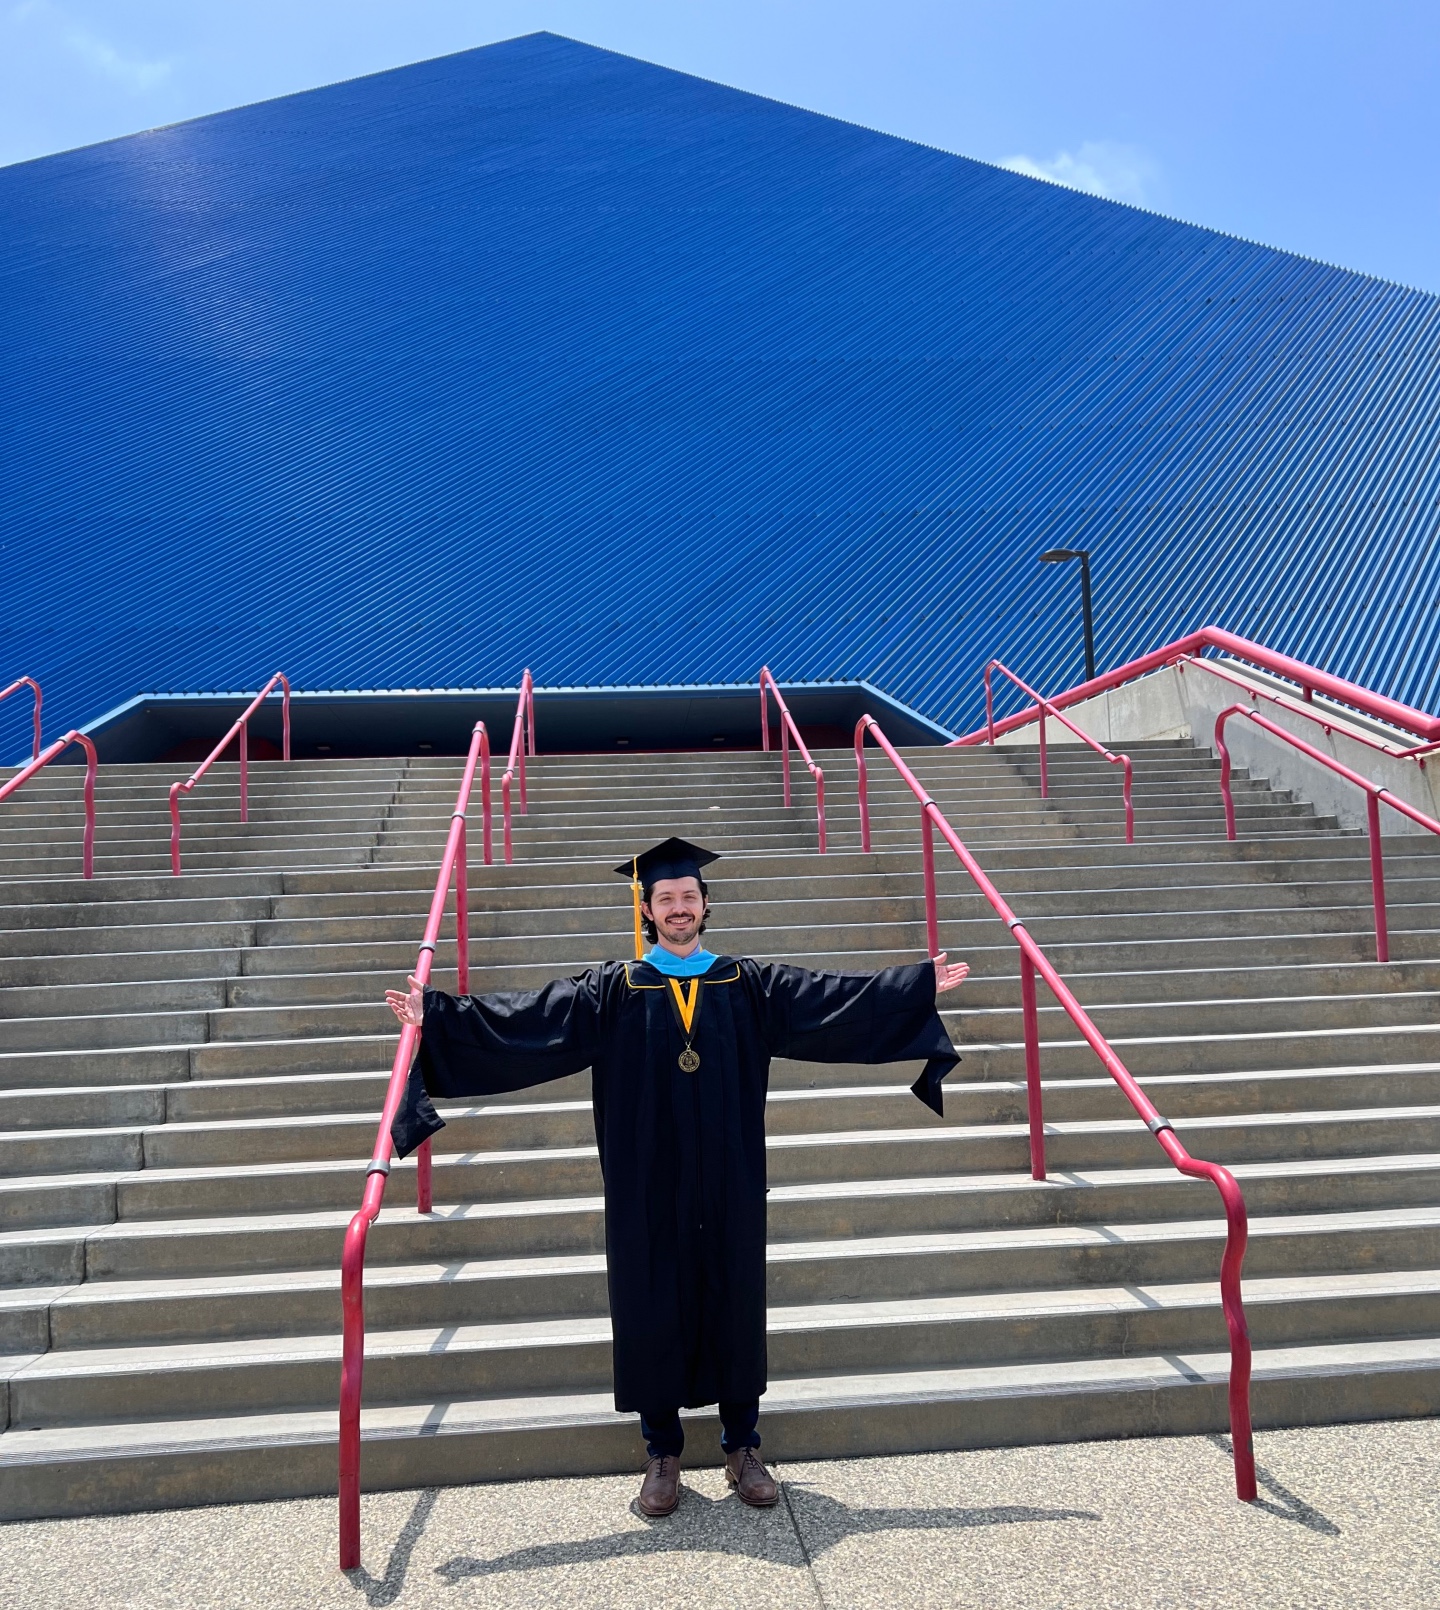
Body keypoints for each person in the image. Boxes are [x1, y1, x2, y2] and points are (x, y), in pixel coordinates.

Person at [386, 836, 968, 1518]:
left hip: (730, 1182)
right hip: (648, 1187)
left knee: (735, 1301)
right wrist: (443, 1019)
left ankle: (742, 1447)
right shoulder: (614, 991)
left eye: (689, 896)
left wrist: (916, 987)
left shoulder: (746, 985)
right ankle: (662, 1453)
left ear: (705, 904)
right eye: (666, 898)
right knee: (650, 1305)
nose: (679, 907)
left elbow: (831, 1001)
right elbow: (529, 1020)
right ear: (648, 910)